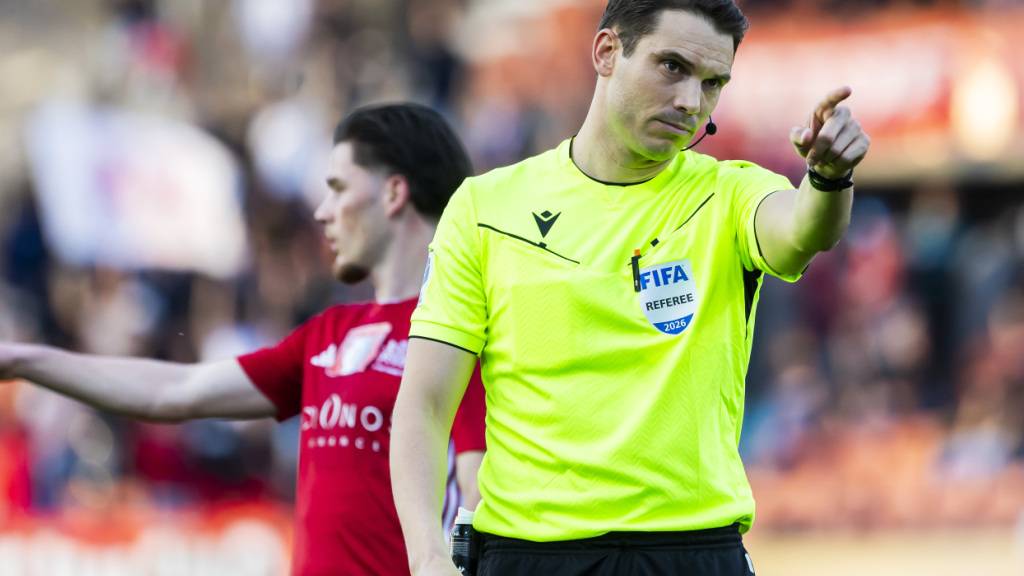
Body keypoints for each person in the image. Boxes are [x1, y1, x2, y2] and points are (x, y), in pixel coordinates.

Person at [390, 1, 870, 574]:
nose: (691, 101)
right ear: (607, 52)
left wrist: (828, 178)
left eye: (712, 83)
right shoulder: (485, 207)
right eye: (673, 67)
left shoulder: (730, 194)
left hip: (690, 554)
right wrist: (426, 554)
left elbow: (802, 231)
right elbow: (424, 403)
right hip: (530, 556)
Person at [0, 103, 486, 576]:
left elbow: (477, 494)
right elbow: (176, 391)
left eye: (339, 189)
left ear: (393, 192)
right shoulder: (328, 334)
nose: (323, 212)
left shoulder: (456, 333)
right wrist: (23, 360)